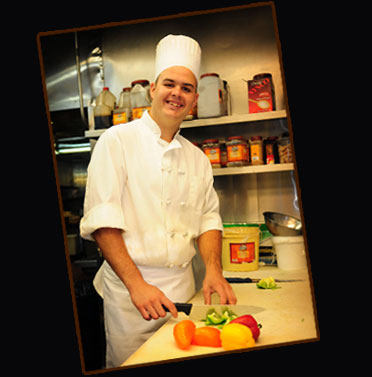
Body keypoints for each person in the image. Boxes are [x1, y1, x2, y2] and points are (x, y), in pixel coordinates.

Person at [80, 34, 237, 368]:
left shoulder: (198, 158)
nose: (177, 94)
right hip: (130, 293)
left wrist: (213, 269)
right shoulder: (116, 141)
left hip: (183, 287)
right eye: (170, 84)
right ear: (153, 89)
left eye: (186, 88)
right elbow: (102, 219)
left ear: (194, 100)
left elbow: (208, 219)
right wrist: (137, 285)